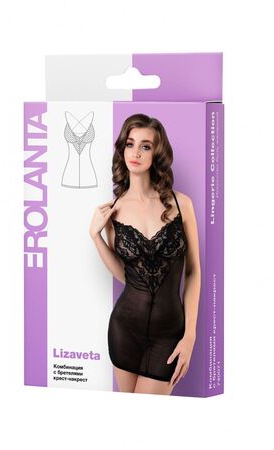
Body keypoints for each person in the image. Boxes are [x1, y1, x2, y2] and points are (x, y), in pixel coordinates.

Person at [89, 113, 201, 395]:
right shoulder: (114, 210)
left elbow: (193, 271)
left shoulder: (181, 205)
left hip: (168, 333)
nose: (135, 152)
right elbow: (125, 275)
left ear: (157, 153)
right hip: (124, 329)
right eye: (130, 144)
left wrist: (190, 336)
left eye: (145, 146)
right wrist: (96, 236)